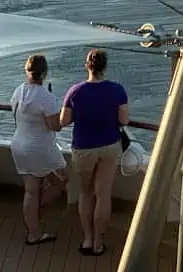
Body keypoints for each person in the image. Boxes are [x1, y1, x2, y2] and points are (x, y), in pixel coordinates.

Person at [61, 49, 129, 257]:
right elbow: (124, 120)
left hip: (83, 148)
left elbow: (64, 121)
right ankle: (99, 242)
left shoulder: (75, 92)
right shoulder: (117, 90)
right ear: (104, 67)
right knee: (103, 194)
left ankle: (88, 239)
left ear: (87, 66)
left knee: (86, 193)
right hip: (109, 146)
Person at [10, 54, 67, 245]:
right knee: (60, 182)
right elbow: (54, 126)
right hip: (39, 148)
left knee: (31, 191)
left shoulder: (18, 91)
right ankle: (34, 227)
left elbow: (14, 113)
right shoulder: (46, 97)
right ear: (44, 73)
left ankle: (33, 225)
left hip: (19, 144)